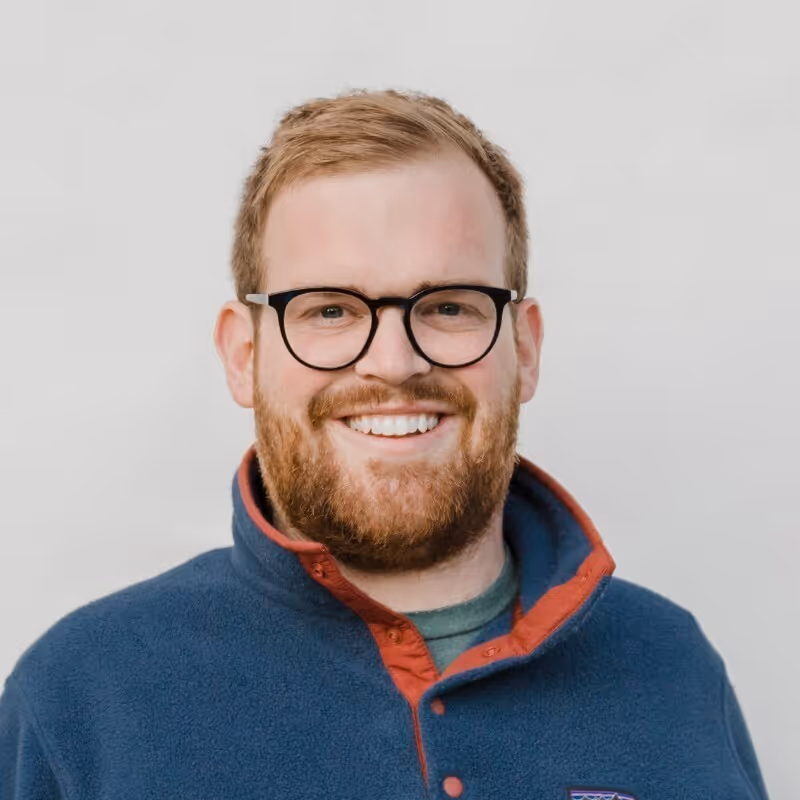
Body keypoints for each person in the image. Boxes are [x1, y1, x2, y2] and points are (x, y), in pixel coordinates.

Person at [0, 89, 770, 800]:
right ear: (244, 355)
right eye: (330, 310)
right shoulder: (79, 698)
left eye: (449, 306)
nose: (395, 363)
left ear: (525, 348)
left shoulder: (673, 665)